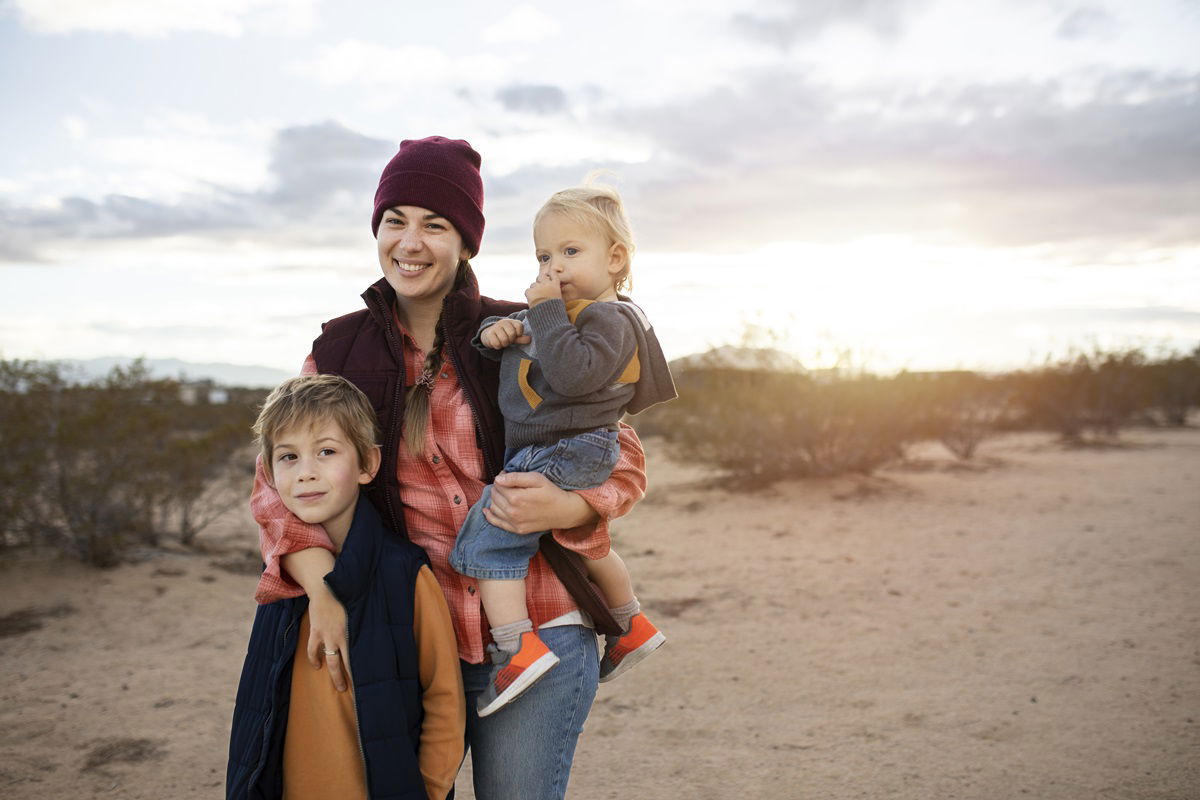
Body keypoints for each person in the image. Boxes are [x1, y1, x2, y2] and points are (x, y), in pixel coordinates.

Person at [248, 136, 648, 800]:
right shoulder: (339, 350)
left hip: (538, 626)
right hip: (406, 635)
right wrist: (321, 592)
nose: (410, 241)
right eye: (394, 220)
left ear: (466, 242)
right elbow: (276, 488)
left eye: (435, 224)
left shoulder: (520, 329)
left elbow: (621, 455)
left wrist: (571, 507)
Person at [450, 183, 676, 717]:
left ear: (615, 258)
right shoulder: (563, 312)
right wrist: (497, 331)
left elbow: (574, 375)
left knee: (486, 544)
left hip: (569, 445)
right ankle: (630, 623)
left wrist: (546, 311)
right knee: (583, 541)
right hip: (565, 447)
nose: (553, 268)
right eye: (543, 256)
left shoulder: (610, 319)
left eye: (570, 252)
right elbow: (518, 337)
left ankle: (518, 648)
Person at [227, 374, 465, 800]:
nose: (306, 473)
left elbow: (444, 697)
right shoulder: (281, 578)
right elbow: (258, 703)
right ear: (269, 471)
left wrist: (427, 789)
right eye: (288, 457)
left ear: (367, 465)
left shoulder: (404, 573)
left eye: (326, 452)